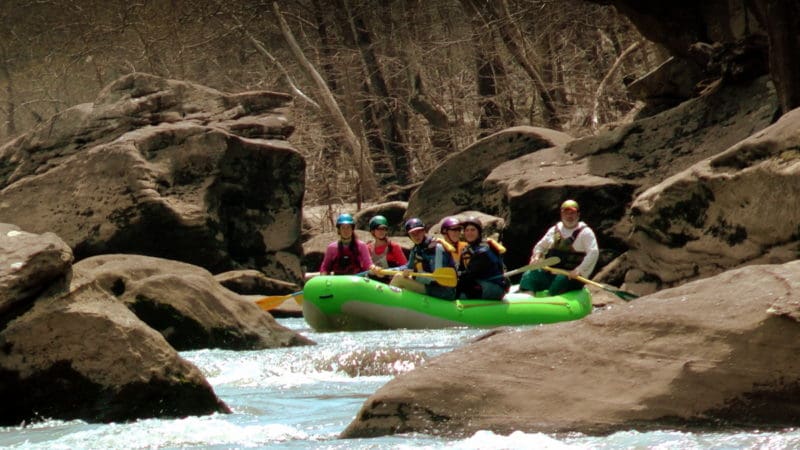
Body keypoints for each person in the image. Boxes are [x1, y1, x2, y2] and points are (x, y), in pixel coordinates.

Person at [519, 199, 599, 295]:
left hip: (571, 276)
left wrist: (579, 270)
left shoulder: (586, 233)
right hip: (551, 273)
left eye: (572, 213)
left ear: (578, 215)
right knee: (529, 274)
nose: (569, 216)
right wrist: (536, 257)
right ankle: (528, 297)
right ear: (561, 214)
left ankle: (550, 298)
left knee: (560, 280)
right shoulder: (554, 230)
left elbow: (593, 253)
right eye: (566, 213)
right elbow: (540, 247)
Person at [390, 217, 456, 300]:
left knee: (399, 279)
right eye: (412, 234)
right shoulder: (416, 249)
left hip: (442, 290)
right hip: (429, 285)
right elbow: (408, 267)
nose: (416, 236)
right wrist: (385, 271)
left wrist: (413, 275)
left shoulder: (437, 248)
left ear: (424, 231)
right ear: (409, 236)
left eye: (418, 232)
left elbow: (435, 279)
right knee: (399, 276)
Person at [456, 217, 508, 300]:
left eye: (473, 230)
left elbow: (469, 275)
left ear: (479, 232)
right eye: (467, 230)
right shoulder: (466, 250)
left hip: (495, 287)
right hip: (479, 282)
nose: (469, 233)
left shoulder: (483, 251)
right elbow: (461, 270)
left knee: (461, 293)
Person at [366, 214, 407, 280]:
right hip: (373, 281)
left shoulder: (393, 247)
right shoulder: (368, 248)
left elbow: (405, 266)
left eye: (384, 229)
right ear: (373, 231)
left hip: (390, 281)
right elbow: (365, 266)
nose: (381, 231)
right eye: (378, 229)